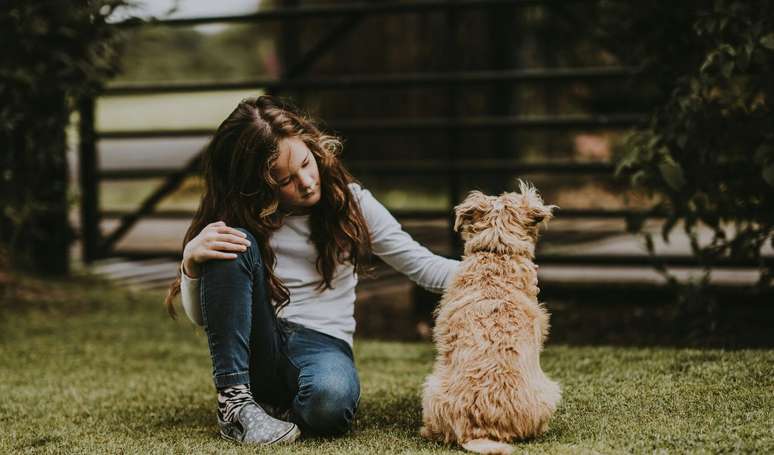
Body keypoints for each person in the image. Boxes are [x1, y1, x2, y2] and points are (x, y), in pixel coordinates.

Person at [164, 95, 459, 446]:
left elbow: (423, 266)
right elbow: (203, 320)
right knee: (230, 240)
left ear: (313, 146)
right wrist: (191, 263)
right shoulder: (237, 221)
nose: (306, 182)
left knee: (330, 406)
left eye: (306, 163)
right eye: (285, 180)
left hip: (323, 343)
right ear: (257, 185)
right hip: (260, 341)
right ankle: (236, 405)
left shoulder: (353, 204)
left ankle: (274, 409)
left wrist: (499, 273)